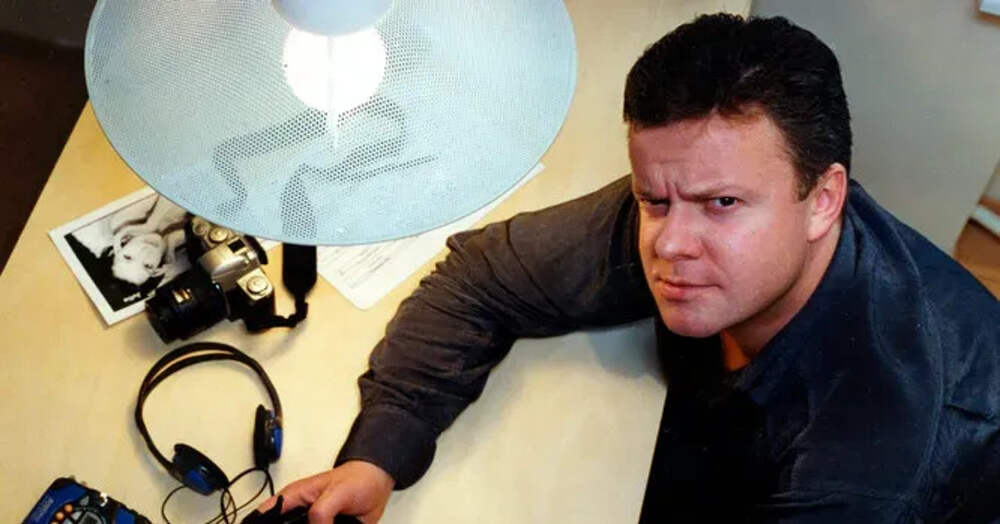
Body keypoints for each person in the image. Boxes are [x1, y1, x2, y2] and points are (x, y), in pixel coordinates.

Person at [257, 13, 1000, 522]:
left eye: (722, 204)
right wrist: (377, 458)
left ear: (823, 200)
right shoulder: (691, 195)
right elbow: (479, 282)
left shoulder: (875, 461)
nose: (669, 245)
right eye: (653, 199)